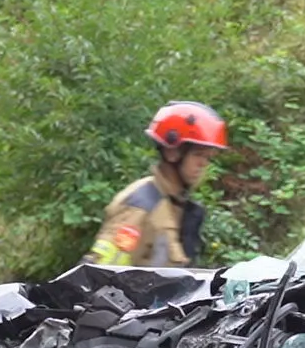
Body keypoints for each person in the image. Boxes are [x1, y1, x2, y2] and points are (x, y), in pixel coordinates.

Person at [83, 101, 228, 268]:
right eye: (198, 154)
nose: (203, 164)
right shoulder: (139, 206)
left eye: (208, 157)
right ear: (172, 152)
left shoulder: (177, 205)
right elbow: (102, 278)